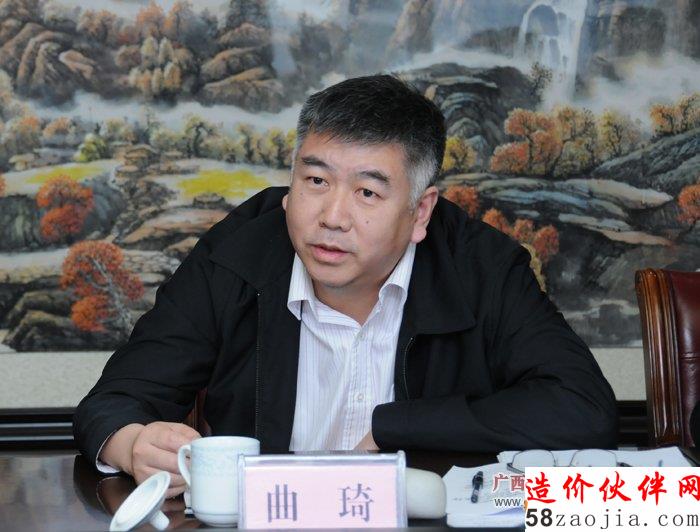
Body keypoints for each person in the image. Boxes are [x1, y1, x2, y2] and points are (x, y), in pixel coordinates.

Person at [74, 74, 617, 497]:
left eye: (367, 193)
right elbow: (113, 401)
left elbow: (582, 408)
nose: (332, 217)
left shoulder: (482, 268)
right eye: (315, 180)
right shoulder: (236, 255)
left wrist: (398, 427)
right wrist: (133, 443)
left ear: (420, 211)